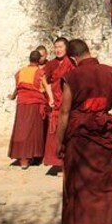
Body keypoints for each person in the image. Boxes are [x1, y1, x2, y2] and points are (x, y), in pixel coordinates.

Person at [57, 39, 112, 224]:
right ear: (89, 51)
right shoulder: (110, 73)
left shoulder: (72, 76)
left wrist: (59, 141)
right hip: (102, 131)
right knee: (106, 177)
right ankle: (111, 221)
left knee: (81, 180)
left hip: (79, 136)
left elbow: (64, 111)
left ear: (73, 58)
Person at [8, 50, 53, 168]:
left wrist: (12, 97)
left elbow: (17, 88)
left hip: (22, 103)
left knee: (21, 129)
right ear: (39, 60)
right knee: (33, 131)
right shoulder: (39, 72)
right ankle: (32, 156)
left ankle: (23, 159)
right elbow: (46, 86)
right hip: (34, 104)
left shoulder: (20, 72)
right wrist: (52, 99)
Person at [43, 37, 73, 170]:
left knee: (68, 130)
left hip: (68, 100)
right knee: (56, 131)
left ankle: (69, 162)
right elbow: (46, 81)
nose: (58, 50)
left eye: (60, 47)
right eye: (56, 47)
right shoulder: (51, 64)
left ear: (66, 48)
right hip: (56, 100)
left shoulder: (71, 62)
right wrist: (50, 98)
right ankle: (59, 162)